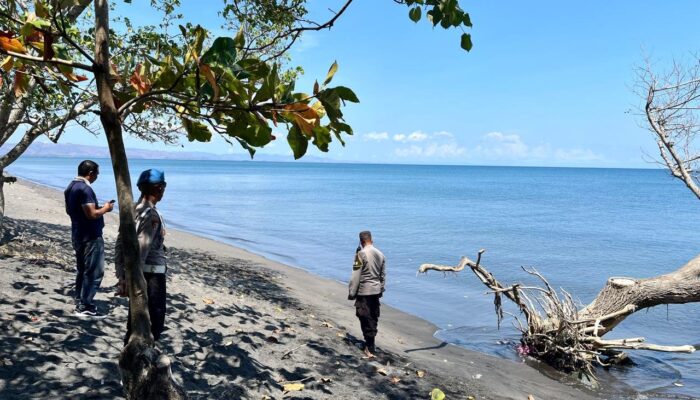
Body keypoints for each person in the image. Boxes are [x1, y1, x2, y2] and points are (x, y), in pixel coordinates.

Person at [115, 168, 168, 343]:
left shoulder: (133, 210)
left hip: (139, 274)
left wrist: (121, 275)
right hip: (151, 276)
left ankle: (131, 357)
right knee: (154, 324)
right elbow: (141, 250)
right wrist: (133, 281)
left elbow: (120, 244)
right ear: (158, 188)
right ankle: (140, 361)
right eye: (164, 186)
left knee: (136, 322)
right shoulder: (150, 214)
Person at [64, 160, 114, 317]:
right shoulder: (85, 189)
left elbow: (72, 211)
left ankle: (80, 299)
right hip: (90, 236)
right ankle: (85, 305)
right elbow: (91, 214)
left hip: (78, 232)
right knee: (94, 271)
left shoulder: (70, 187)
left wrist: (96, 210)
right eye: (97, 173)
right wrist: (105, 209)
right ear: (91, 173)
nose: (97, 176)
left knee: (82, 269)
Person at [348, 230, 386, 358]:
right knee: (373, 316)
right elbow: (383, 275)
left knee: (364, 316)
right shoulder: (381, 254)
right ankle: (370, 345)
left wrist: (352, 292)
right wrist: (381, 289)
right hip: (376, 290)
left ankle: (369, 348)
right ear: (372, 240)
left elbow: (356, 275)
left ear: (361, 241)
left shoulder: (361, 254)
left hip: (364, 290)